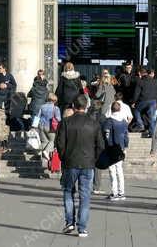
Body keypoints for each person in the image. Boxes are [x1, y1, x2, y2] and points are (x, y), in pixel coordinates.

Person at [55, 95, 104, 239]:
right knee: (85, 195)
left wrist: (64, 158)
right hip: (88, 163)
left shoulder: (65, 122)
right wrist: (93, 159)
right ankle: (82, 228)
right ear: (86, 106)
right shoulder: (94, 123)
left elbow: (60, 144)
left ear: (73, 106)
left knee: (68, 191)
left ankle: (70, 222)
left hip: (70, 163)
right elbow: (100, 145)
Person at [101, 102, 129, 201]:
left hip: (112, 148)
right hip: (121, 147)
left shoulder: (109, 121)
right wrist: (125, 147)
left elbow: (106, 135)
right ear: (119, 109)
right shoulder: (124, 121)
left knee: (112, 171)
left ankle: (114, 193)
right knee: (120, 171)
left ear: (111, 109)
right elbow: (126, 136)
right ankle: (122, 192)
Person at [131, 68, 157, 135]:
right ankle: (152, 132)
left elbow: (136, 93)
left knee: (136, 110)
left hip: (144, 100)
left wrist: (133, 102)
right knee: (152, 116)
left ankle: (140, 125)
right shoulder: (154, 81)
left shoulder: (140, 81)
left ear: (140, 73)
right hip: (153, 101)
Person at [37, 93, 62, 170]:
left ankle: (44, 160)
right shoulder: (56, 108)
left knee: (44, 142)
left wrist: (34, 126)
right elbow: (58, 119)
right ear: (55, 100)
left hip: (41, 126)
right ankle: (46, 151)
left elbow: (37, 116)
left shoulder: (42, 106)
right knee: (52, 141)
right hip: (50, 127)